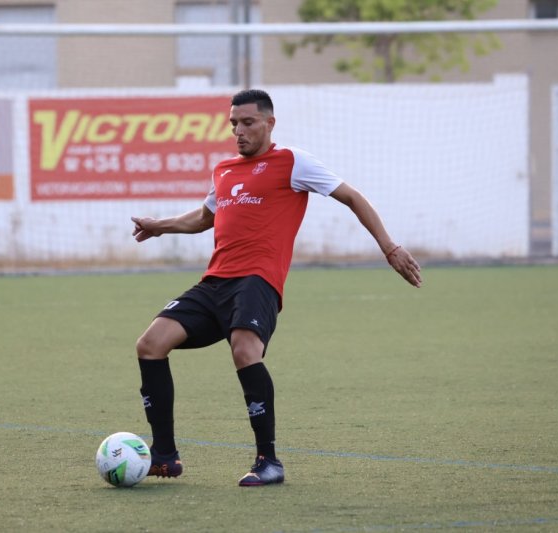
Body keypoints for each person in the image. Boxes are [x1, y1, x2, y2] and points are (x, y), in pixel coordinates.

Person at [131, 88, 422, 487]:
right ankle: (165, 457)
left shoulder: (292, 162)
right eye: (234, 123)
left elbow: (352, 196)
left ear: (270, 123)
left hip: (258, 281)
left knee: (244, 348)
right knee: (150, 344)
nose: (239, 131)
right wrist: (159, 225)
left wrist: (389, 247)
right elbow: (204, 217)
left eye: (248, 122)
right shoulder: (225, 170)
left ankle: (268, 461)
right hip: (215, 281)